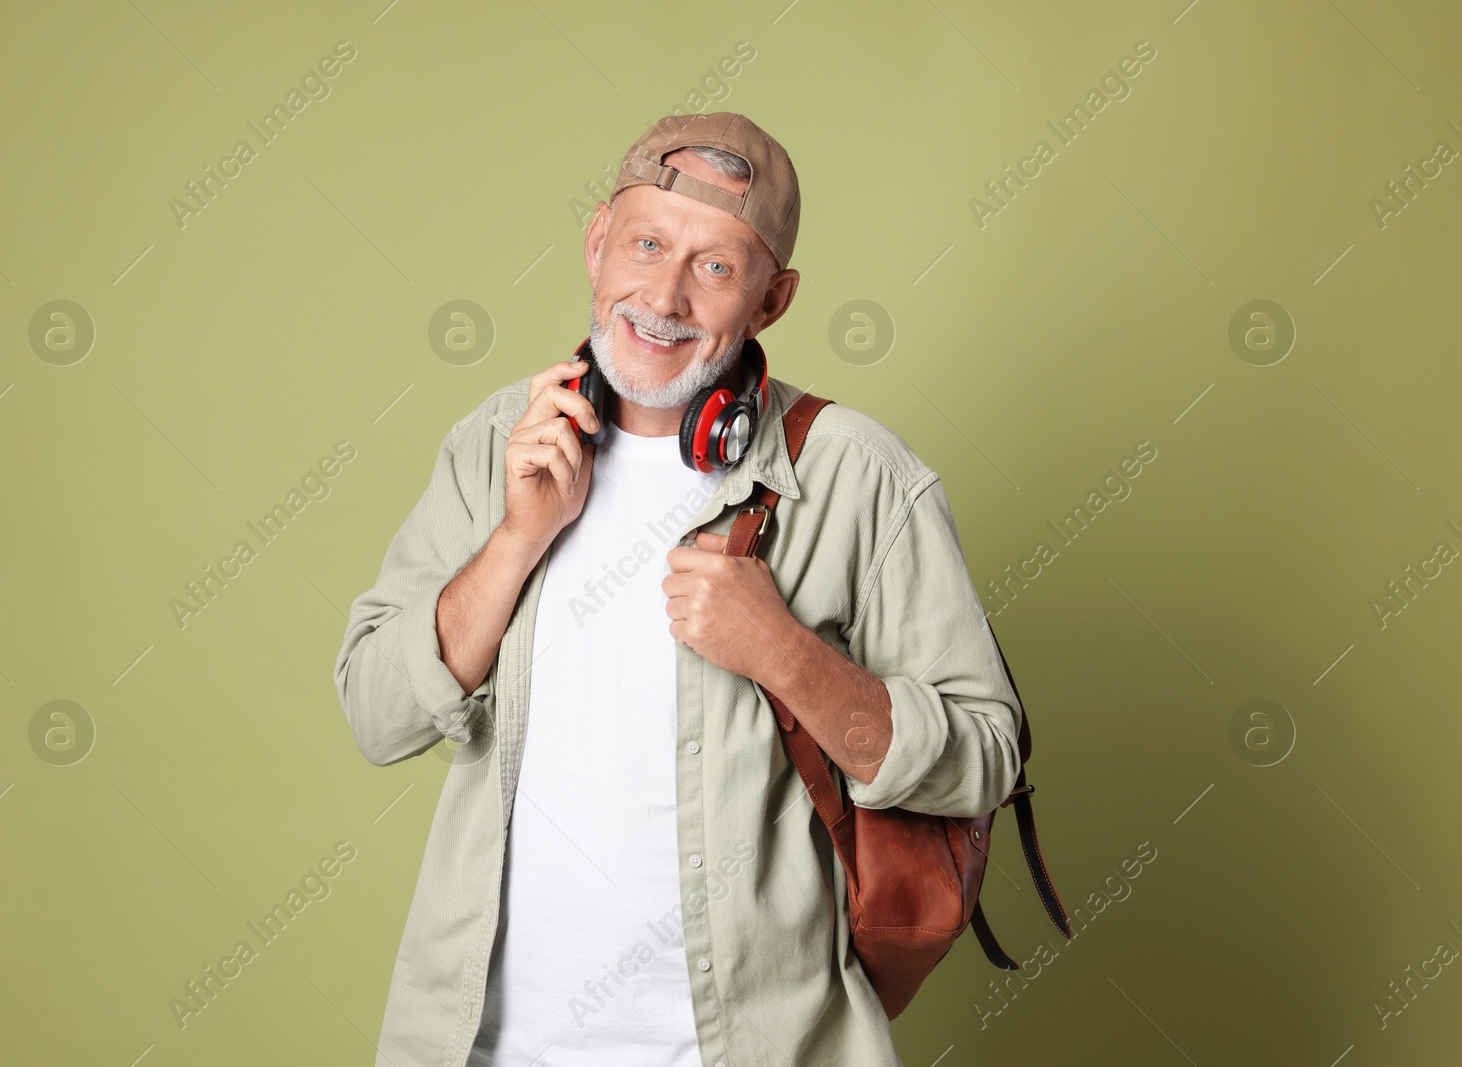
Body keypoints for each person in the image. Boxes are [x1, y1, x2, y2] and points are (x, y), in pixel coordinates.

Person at [333, 111, 1024, 1067]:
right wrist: (517, 537)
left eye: (715, 266)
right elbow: (377, 714)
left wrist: (785, 652)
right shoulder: (497, 442)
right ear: (595, 245)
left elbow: (985, 754)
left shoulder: (859, 476)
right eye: (647, 244)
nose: (662, 295)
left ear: (771, 300)